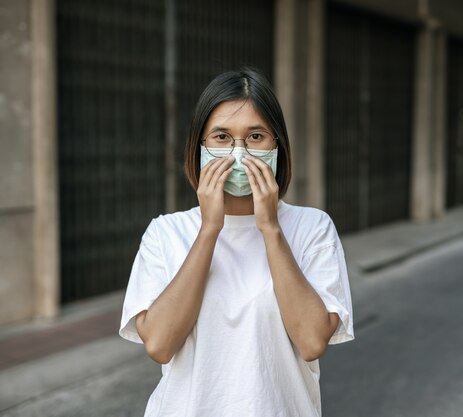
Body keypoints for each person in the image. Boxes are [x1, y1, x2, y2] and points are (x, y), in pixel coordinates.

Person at [119, 68, 354, 417]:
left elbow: (311, 341)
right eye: (222, 137)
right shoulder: (166, 233)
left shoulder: (312, 228)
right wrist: (209, 229)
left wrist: (270, 228)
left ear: (278, 145)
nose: (239, 154)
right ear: (199, 147)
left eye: (256, 136)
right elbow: (159, 344)